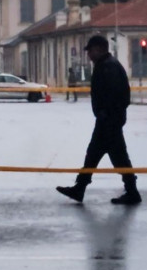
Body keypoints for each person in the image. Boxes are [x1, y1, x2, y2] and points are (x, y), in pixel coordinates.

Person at [56, 35, 141, 205]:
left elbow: (117, 96)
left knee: (115, 157)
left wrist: (106, 115)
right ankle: (81, 188)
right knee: (96, 155)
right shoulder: (106, 65)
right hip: (108, 121)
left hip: (108, 122)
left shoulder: (108, 67)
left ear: (99, 49)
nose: (88, 55)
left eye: (90, 50)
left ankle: (130, 191)